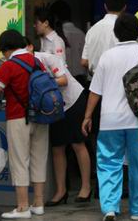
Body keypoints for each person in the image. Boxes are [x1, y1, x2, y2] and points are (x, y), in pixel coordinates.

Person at [82, 13, 138, 221]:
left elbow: (95, 91)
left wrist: (87, 116)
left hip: (109, 119)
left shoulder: (107, 56)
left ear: (116, 33)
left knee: (108, 163)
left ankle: (109, 208)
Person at [0, 30, 50, 219]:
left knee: (20, 161)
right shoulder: (36, 61)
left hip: (18, 117)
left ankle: (22, 207)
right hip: (41, 117)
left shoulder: (9, 65)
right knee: (39, 158)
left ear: (6, 48)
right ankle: (38, 203)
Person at [24, 39, 92, 206]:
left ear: (31, 47)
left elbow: (63, 80)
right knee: (57, 147)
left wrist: (40, 84)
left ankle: (86, 187)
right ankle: (61, 191)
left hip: (72, 101)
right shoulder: (20, 66)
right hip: (52, 108)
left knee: (77, 143)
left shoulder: (47, 58)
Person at [81, 0, 126, 76]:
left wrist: (96, 68)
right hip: (117, 79)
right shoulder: (124, 29)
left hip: (95, 80)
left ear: (105, 6)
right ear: (124, 7)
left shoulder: (92, 29)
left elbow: (84, 61)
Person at [50, 0, 87, 83]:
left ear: (55, 17)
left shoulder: (55, 36)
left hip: (63, 79)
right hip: (80, 80)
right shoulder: (81, 33)